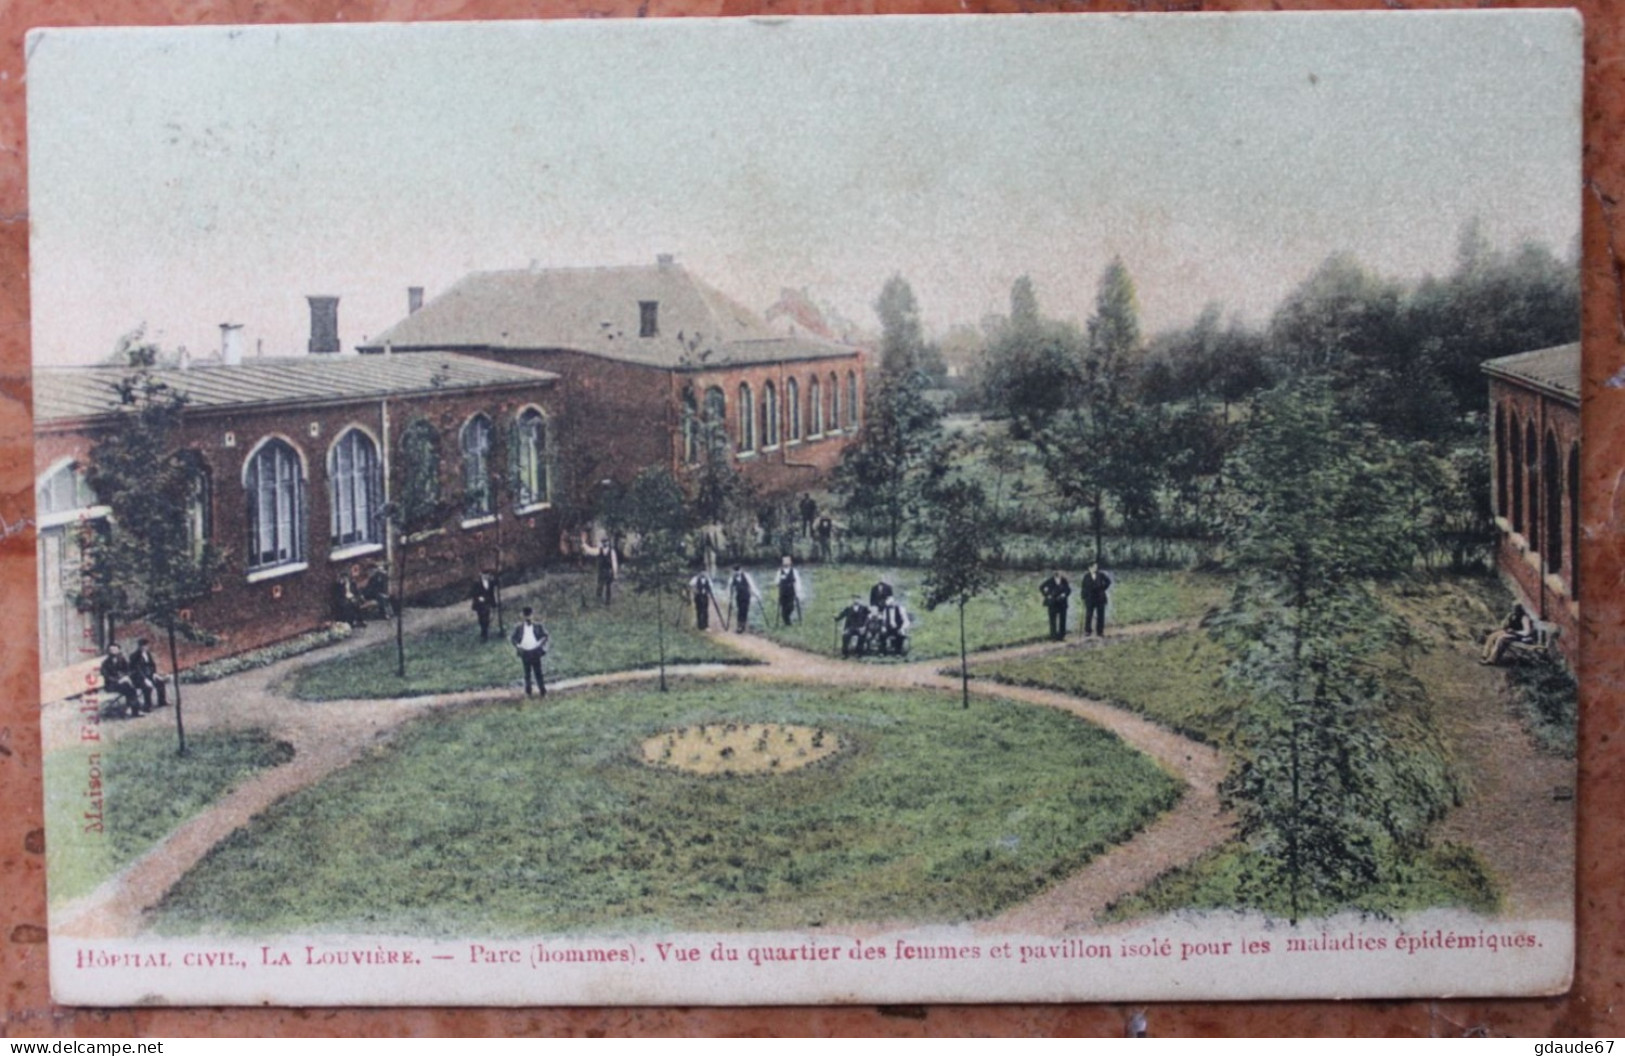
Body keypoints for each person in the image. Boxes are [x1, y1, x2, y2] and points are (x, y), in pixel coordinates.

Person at [510, 606, 551, 696]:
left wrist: (539, 643)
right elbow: (513, 639)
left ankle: (542, 691)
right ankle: (528, 692)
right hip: (525, 652)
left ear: (532, 615)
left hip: (535, 651)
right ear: (523, 616)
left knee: (538, 672)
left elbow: (545, 636)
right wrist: (518, 646)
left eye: (529, 615)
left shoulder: (538, 626)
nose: (528, 618)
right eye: (526, 615)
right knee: (527, 673)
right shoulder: (519, 628)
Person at [99, 643, 142, 717]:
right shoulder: (105, 663)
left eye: (115, 649)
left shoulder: (122, 660)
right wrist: (118, 680)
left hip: (123, 683)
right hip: (111, 685)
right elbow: (106, 676)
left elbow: (128, 670)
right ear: (109, 651)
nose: (113, 651)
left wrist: (125, 676)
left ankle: (132, 708)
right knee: (129, 688)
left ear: (119, 650)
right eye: (111, 650)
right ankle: (134, 710)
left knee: (129, 686)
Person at [129, 637, 168, 712]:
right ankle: (147, 705)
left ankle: (162, 701)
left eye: (146, 646)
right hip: (138, 678)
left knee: (160, 682)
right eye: (143, 646)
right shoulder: (134, 656)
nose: (145, 648)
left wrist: (154, 674)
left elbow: (152, 665)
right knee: (147, 687)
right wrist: (145, 679)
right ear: (139, 646)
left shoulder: (148, 654)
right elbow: (137, 670)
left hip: (149, 675)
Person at [1080, 562, 1113, 638]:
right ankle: (1088, 631)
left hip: (1100, 598)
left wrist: (1103, 588)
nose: (1095, 568)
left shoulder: (1101, 575)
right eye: (1094, 567)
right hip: (1090, 598)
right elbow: (1083, 587)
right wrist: (1083, 596)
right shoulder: (1086, 576)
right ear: (1090, 568)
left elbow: (1108, 582)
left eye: (1096, 567)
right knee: (1089, 615)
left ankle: (1100, 631)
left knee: (1100, 615)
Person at [1040, 570, 1072, 641]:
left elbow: (1068, 590)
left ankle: (1061, 636)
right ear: (1054, 573)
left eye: (1059, 572)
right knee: (1052, 620)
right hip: (1053, 603)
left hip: (1062, 603)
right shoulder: (1050, 581)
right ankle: (1053, 636)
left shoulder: (1064, 580)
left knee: (1063, 620)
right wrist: (1047, 595)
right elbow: (1041, 587)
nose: (1058, 573)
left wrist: (1064, 594)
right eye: (1056, 572)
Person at [729, 565, 760, 634]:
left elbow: (752, 586)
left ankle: (743, 625)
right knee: (740, 610)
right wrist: (730, 599)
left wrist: (756, 594)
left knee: (745, 609)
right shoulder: (732, 578)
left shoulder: (746, 576)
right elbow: (730, 588)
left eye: (738, 570)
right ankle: (740, 625)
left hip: (746, 595)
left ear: (741, 570)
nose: (737, 572)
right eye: (735, 571)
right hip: (739, 596)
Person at [471, 569, 499, 641]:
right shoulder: (477, 583)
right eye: (484, 575)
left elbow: (492, 593)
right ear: (481, 575)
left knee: (486, 618)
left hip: (487, 603)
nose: (486, 576)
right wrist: (478, 597)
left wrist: (493, 604)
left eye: (487, 575)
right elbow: (473, 593)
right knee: (481, 618)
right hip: (479, 604)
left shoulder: (490, 582)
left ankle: (485, 632)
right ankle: (483, 631)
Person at [776, 555, 802, 626]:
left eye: (788, 562)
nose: (786, 564)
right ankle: (787, 622)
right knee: (783, 608)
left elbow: (798, 582)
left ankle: (787, 620)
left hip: (791, 592)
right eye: (784, 562)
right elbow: (777, 582)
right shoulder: (780, 572)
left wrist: (798, 592)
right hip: (783, 593)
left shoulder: (794, 572)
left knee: (790, 607)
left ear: (790, 563)